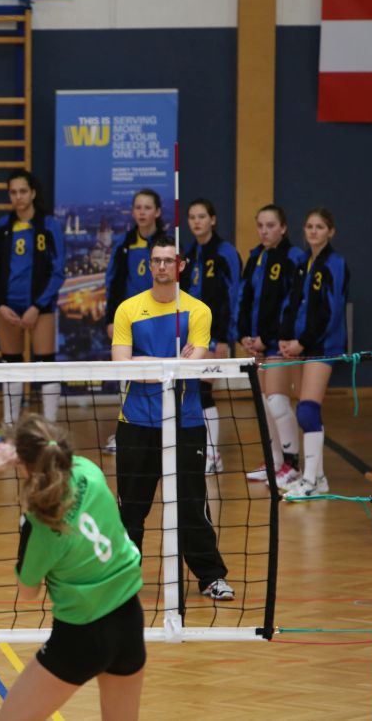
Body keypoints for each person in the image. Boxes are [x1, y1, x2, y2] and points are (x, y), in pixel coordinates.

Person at [0, 414, 145, 721]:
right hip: (129, 619)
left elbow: (28, 592)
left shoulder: (42, 523)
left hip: (82, 635)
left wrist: (26, 514)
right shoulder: (89, 471)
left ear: (26, 463)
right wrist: (25, 458)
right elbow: (53, 460)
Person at [111, 235, 233, 601]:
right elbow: (122, 365)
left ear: (179, 265)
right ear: (149, 265)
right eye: (156, 260)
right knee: (131, 509)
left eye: (168, 260)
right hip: (136, 422)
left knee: (192, 506)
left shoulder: (198, 311)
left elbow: (192, 368)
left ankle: (211, 577)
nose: (162, 266)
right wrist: (171, 364)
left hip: (185, 422)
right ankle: (122, 579)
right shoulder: (128, 309)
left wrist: (150, 364)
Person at [0, 169, 66, 435]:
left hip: (40, 308)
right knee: (11, 363)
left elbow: (58, 271)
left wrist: (37, 306)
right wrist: (0, 305)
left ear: (32, 193)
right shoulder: (2, 227)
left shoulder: (49, 225)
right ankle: (9, 425)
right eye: (13, 192)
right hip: (8, 307)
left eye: (22, 191)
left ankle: (50, 427)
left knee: (45, 363)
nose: (18, 197)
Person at [278, 208, 350, 498]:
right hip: (301, 344)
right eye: (309, 226)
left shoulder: (335, 263)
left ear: (331, 231)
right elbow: (292, 304)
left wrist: (304, 341)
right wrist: (286, 338)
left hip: (322, 345)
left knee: (308, 409)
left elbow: (330, 311)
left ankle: (311, 482)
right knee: (303, 410)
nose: (313, 231)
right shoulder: (303, 262)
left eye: (320, 227)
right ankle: (317, 478)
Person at [237, 204, 307, 487]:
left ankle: (292, 464)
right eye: (260, 226)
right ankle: (275, 462)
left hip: (279, 343)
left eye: (270, 226)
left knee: (277, 400)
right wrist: (244, 335)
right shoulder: (256, 257)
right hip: (258, 344)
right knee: (265, 404)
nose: (264, 231)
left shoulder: (293, 257)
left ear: (283, 228)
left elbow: (290, 304)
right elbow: (244, 297)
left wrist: (269, 338)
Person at [102, 189, 168, 453]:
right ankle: (127, 431)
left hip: (160, 320)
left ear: (157, 212)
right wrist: (111, 319)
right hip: (130, 321)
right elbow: (113, 282)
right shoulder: (124, 244)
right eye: (138, 207)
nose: (142, 212)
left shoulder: (166, 244)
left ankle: (163, 429)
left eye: (147, 207)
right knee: (127, 376)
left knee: (160, 376)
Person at [180, 198, 243, 474]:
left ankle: (213, 454)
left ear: (213, 220)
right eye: (192, 217)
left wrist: (225, 337)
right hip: (190, 336)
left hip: (214, 336)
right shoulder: (190, 252)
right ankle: (200, 450)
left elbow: (234, 296)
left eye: (202, 216)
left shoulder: (225, 253)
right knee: (191, 392)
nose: (196, 222)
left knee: (204, 391)